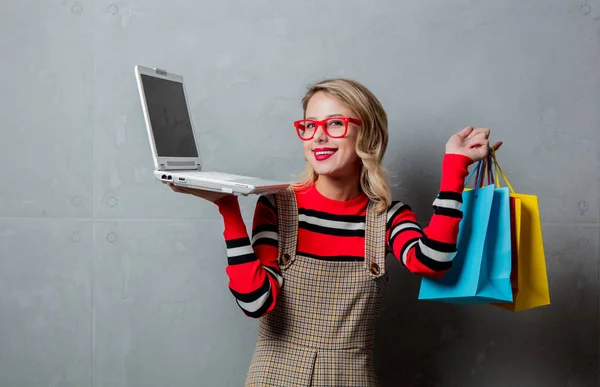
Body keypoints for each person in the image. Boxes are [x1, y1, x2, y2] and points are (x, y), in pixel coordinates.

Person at [168, 78, 502, 386]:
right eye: (310, 125)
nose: (319, 137)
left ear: (366, 135)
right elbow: (255, 301)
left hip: (351, 378)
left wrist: (455, 167)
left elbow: (431, 262)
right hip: (272, 377)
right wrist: (228, 207)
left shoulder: (386, 217)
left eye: (336, 124)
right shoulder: (278, 205)